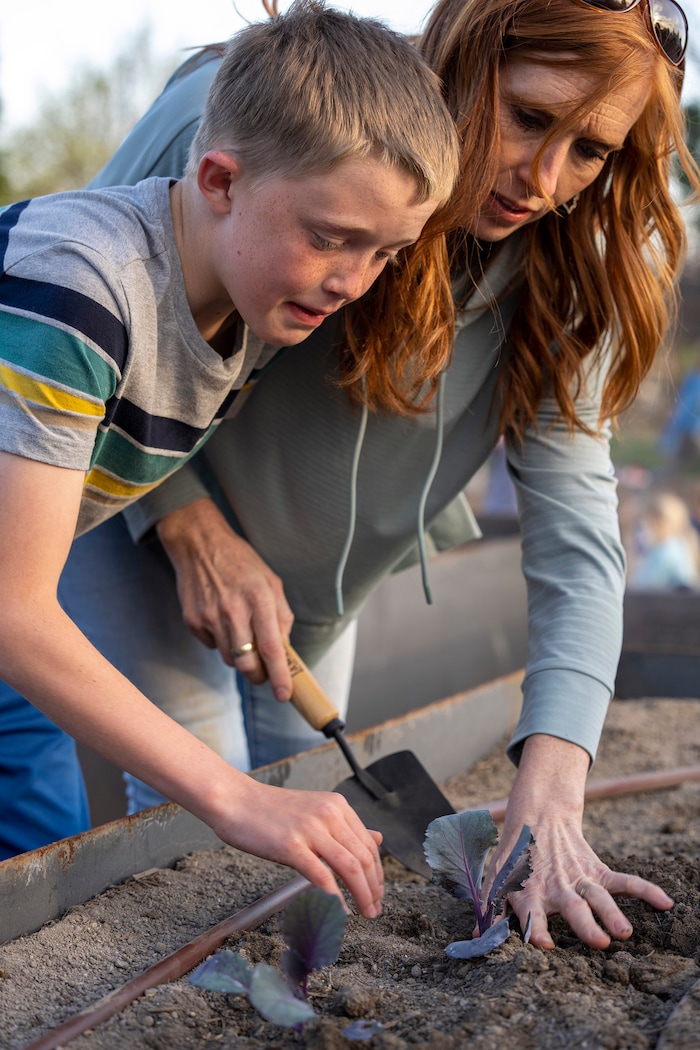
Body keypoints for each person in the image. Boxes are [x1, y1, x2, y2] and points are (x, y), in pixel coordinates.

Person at [4, 0, 698, 954]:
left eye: (590, 151)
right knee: (184, 824)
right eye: (530, 116)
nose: (544, 180)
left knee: (299, 821)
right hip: (114, 542)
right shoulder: (252, 125)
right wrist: (189, 522)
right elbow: (115, 332)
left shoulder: (388, 270)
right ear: (467, 55)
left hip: (304, 595)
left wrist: (554, 784)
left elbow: (577, 532)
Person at [0, 0, 463, 923]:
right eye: (332, 236)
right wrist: (235, 794)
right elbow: (11, 609)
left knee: (36, 888)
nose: (354, 281)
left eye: (387, 251)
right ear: (217, 178)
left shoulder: (259, 296)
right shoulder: (78, 284)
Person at [628, 491, 700, 589]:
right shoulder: (679, 546)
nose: (644, 527)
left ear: (658, 522)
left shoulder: (667, 550)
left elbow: (644, 587)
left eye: (647, 520)